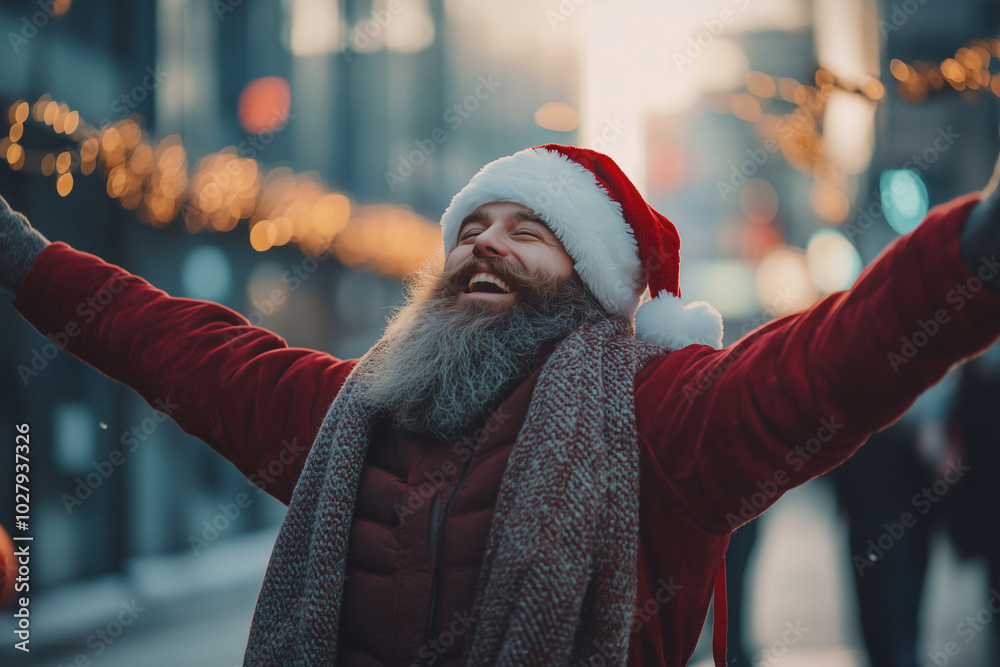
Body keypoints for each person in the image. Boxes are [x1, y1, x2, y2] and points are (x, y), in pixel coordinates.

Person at [3, 143, 1000, 667]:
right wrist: (30, 264)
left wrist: (973, 253)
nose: (485, 242)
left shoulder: (660, 416)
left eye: (529, 229)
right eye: (472, 226)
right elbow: (187, 350)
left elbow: (827, 361)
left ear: (597, 282)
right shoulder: (358, 412)